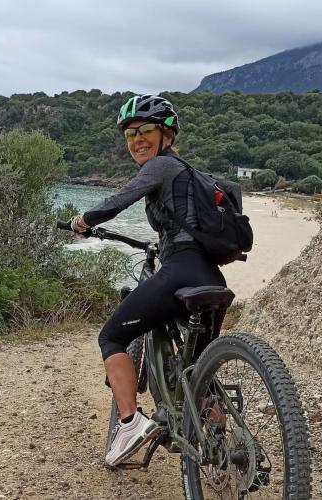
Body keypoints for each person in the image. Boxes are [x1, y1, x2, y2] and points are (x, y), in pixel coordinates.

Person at [70, 94, 226, 467]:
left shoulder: (160, 166)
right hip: (212, 279)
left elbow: (120, 199)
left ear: (166, 135)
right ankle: (226, 448)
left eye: (145, 131)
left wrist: (85, 220)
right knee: (198, 368)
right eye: (130, 135)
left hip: (180, 271)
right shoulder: (187, 174)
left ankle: (129, 423)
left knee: (111, 336)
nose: (136, 139)